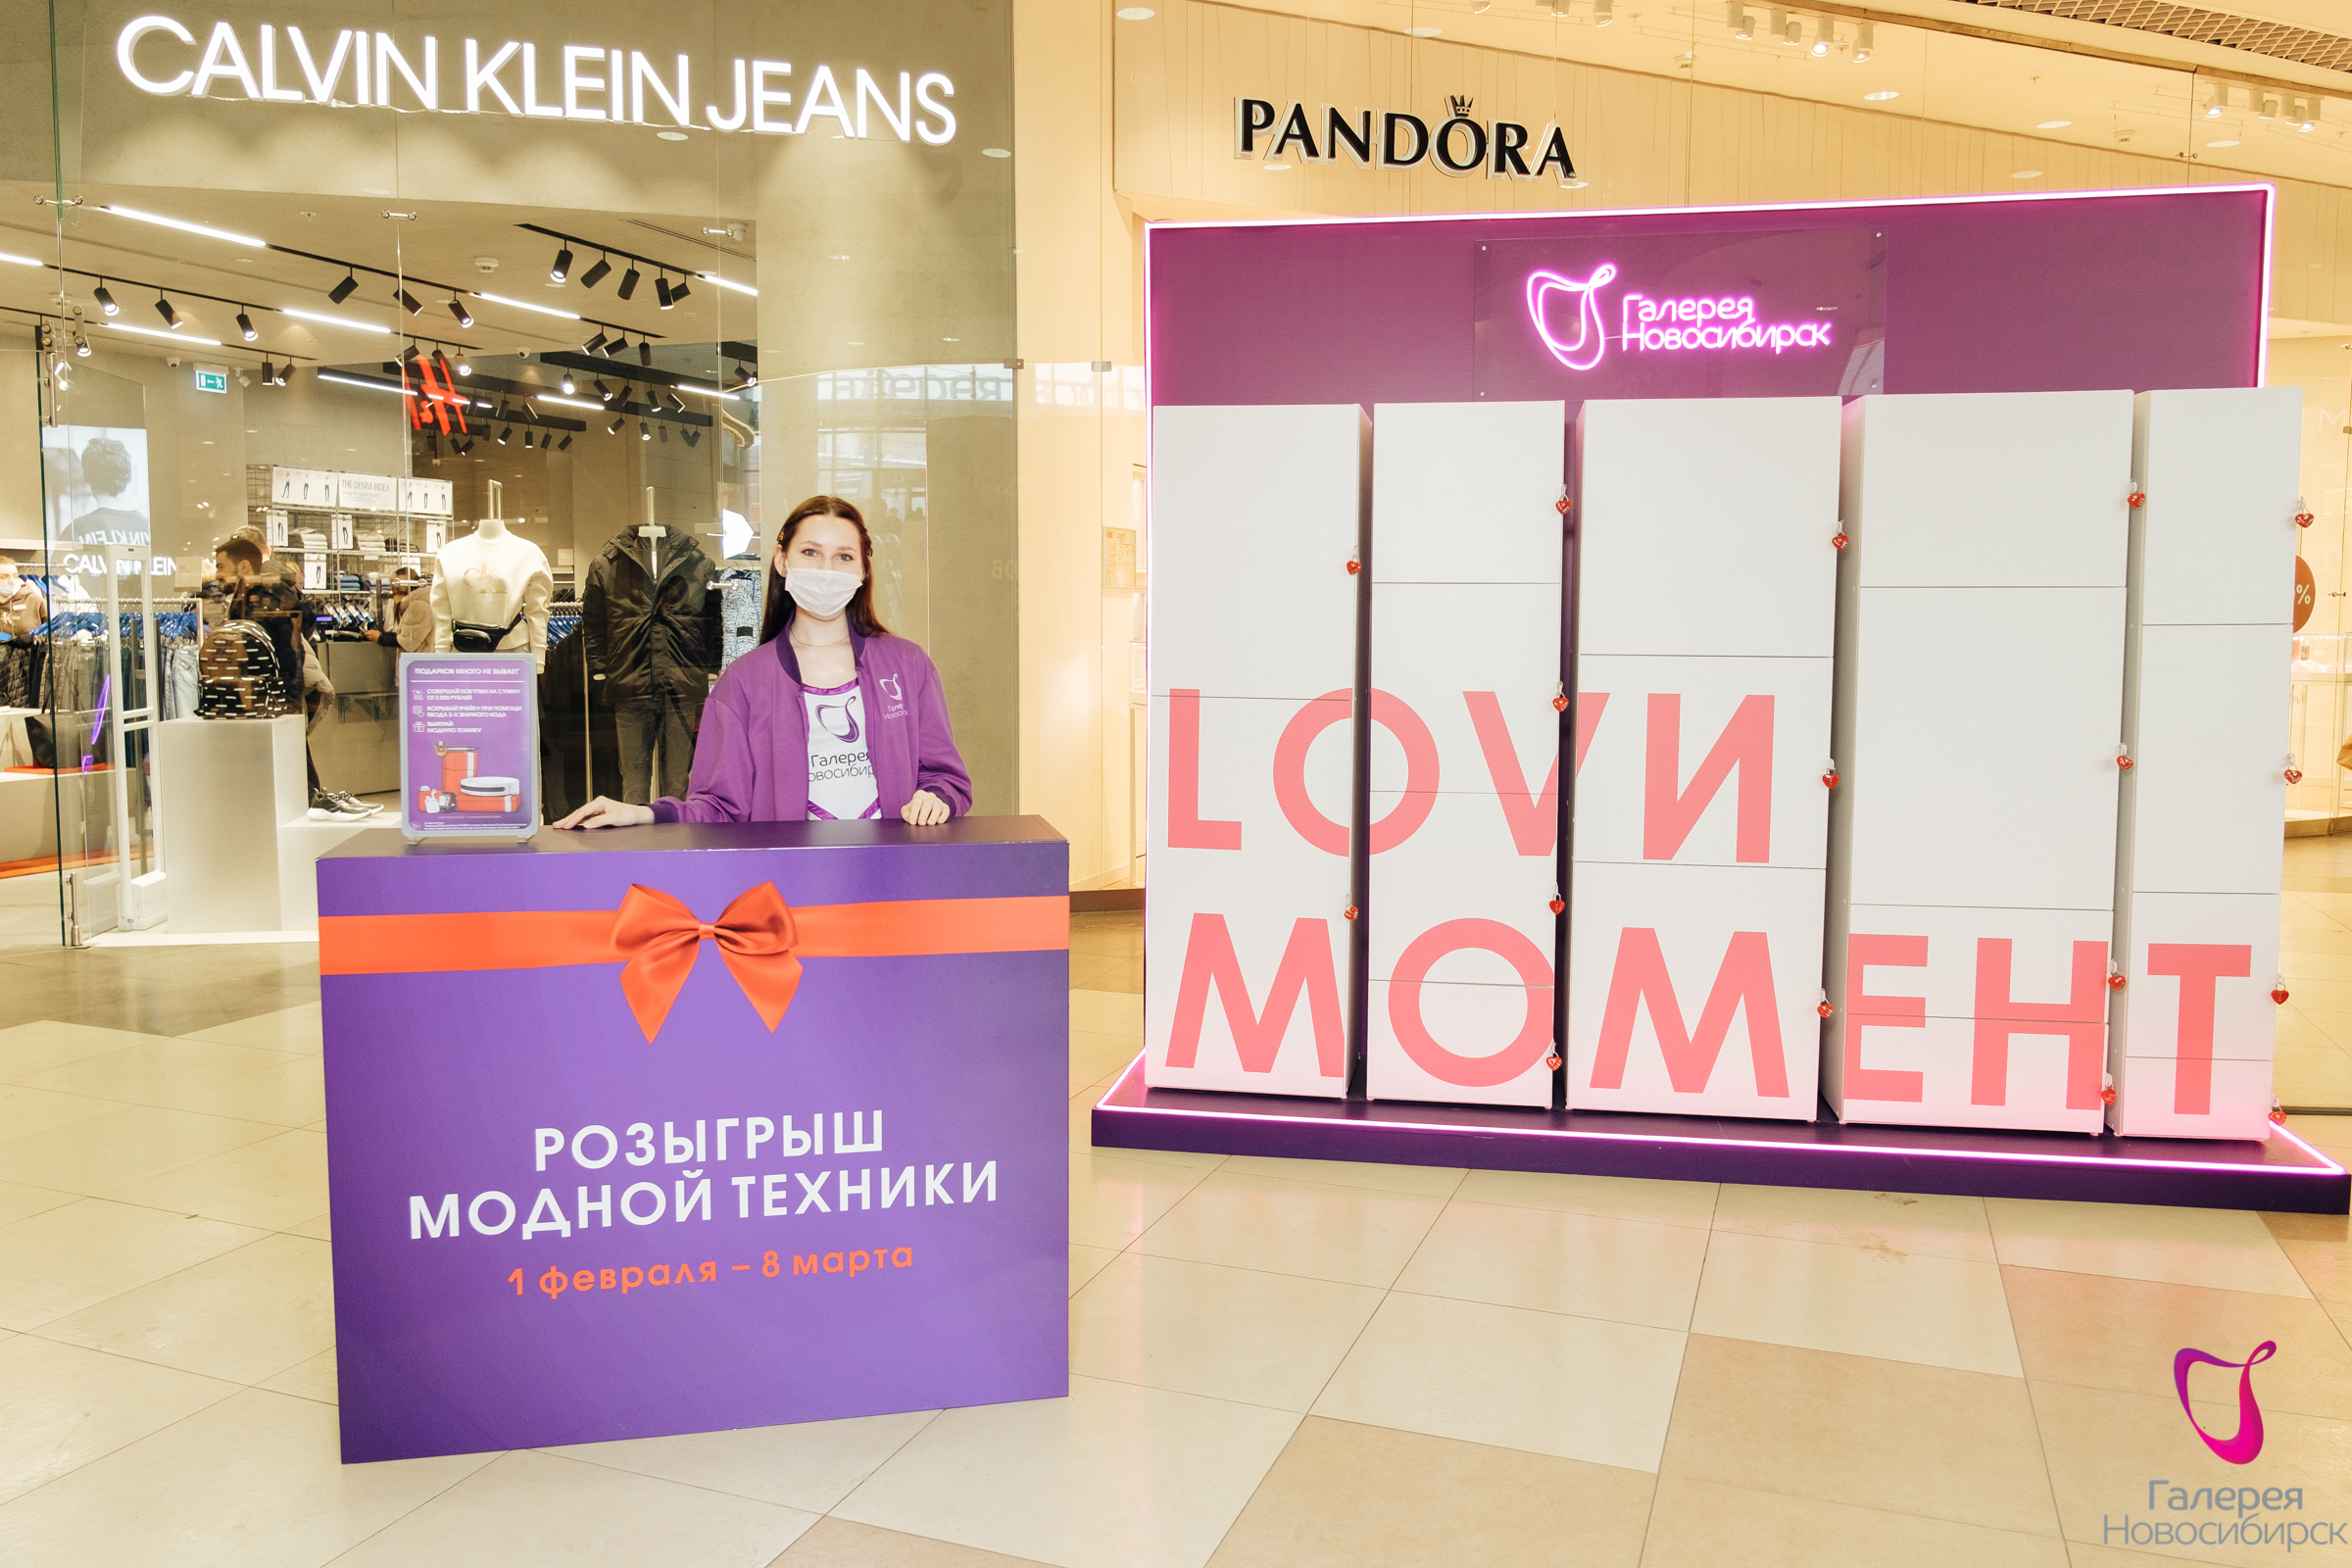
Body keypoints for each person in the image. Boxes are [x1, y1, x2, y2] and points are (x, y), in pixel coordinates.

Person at [556, 495, 968, 830]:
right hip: (789, 880)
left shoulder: (907, 665)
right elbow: (719, 805)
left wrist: (938, 797)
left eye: (844, 557)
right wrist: (646, 813)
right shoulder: (743, 682)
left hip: (889, 873)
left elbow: (947, 777)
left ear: (862, 570)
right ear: (782, 561)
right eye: (811, 552)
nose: (827, 569)